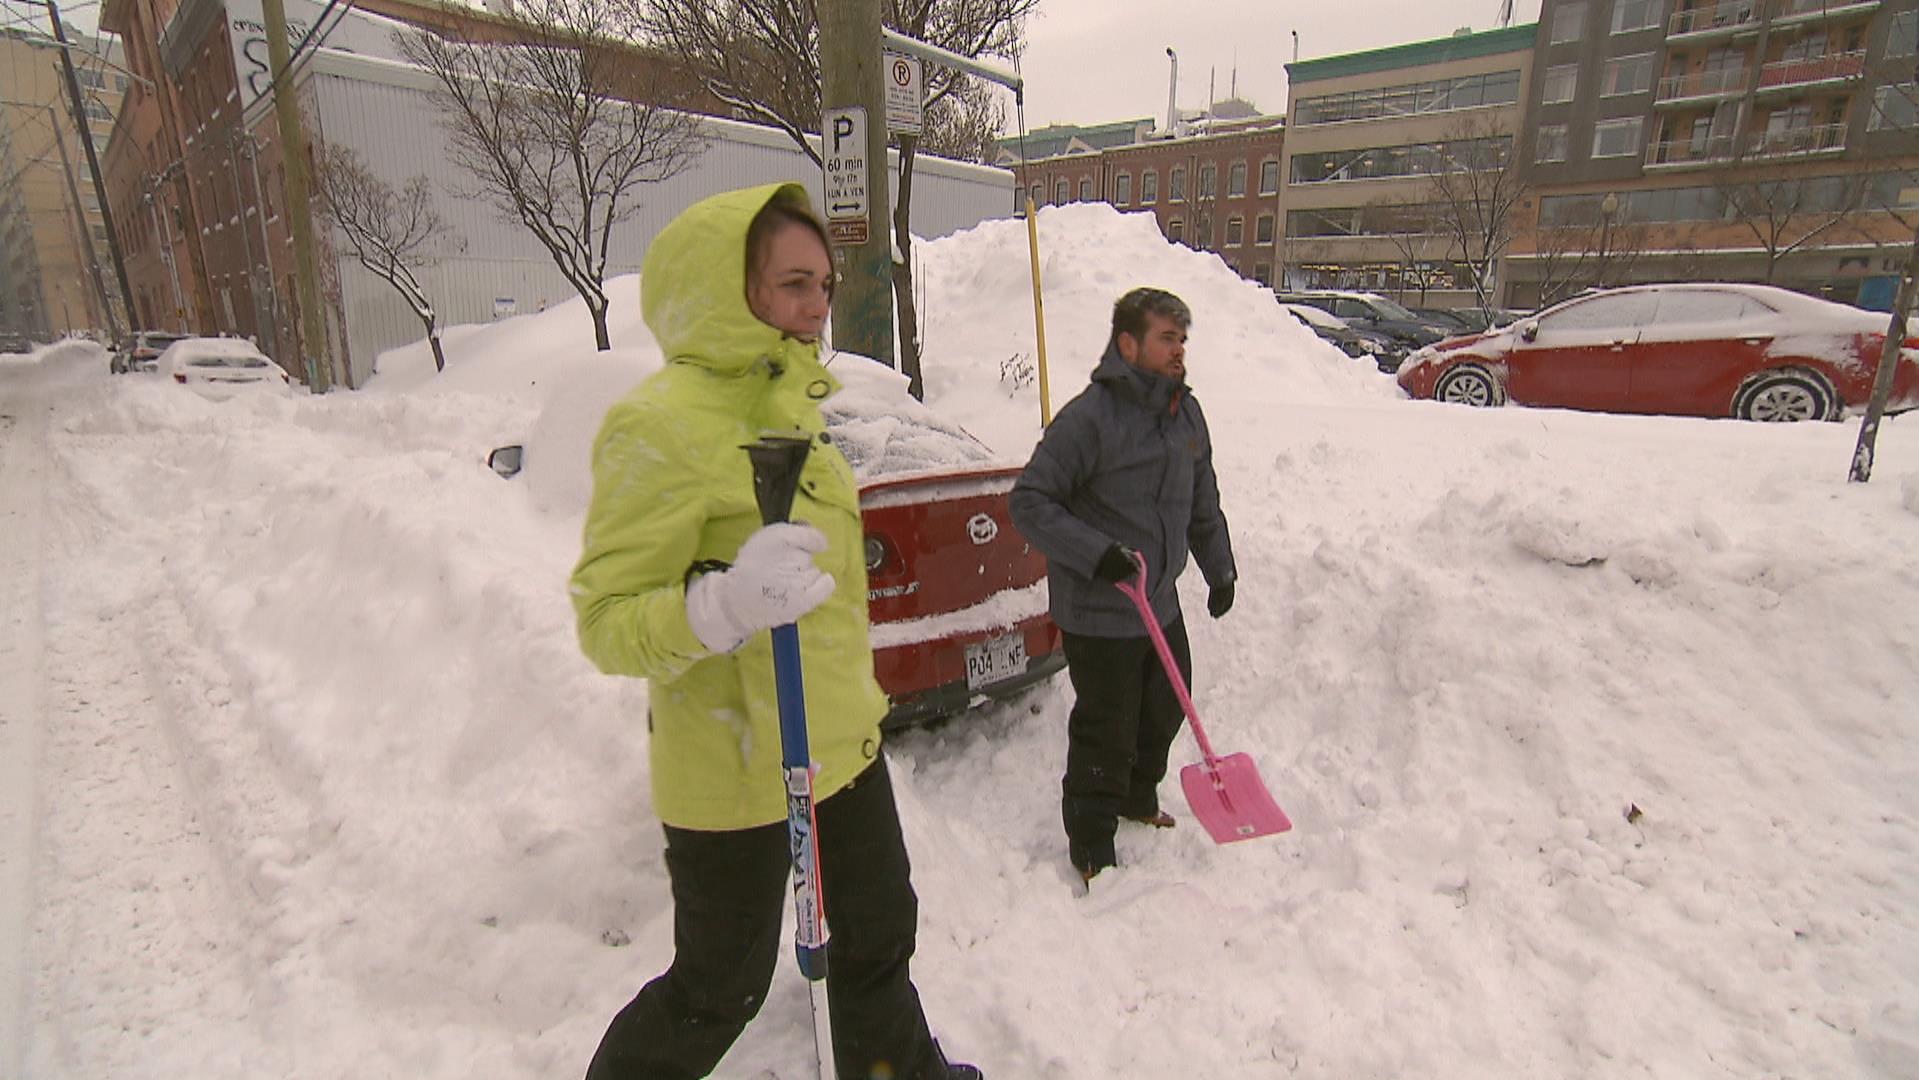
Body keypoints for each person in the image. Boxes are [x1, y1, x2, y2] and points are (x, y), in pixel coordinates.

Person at [570, 183, 979, 1080]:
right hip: (733, 767)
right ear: (728, 289)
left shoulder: (795, 406)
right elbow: (604, 621)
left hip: (840, 744)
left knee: (878, 937)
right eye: (794, 283)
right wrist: (720, 604)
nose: (817, 305)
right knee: (721, 987)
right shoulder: (658, 427)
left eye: (823, 284)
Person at [1008, 286, 1238, 886]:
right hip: (1100, 608)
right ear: (1128, 342)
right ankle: (1090, 844)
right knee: (1106, 729)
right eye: (1167, 338)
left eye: (1182, 339)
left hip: (1156, 600)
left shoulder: (1184, 412)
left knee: (1166, 704)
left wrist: (1220, 566)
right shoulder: (1090, 420)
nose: (1178, 350)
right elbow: (1029, 501)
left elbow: (1202, 498)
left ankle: (1137, 796)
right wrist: (1095, 554)